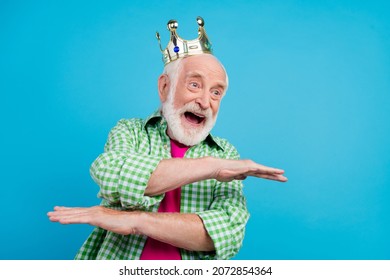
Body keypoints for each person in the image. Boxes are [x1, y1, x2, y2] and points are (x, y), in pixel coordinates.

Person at [48, 16, 287, 260]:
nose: (205, 102)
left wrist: (135, 220)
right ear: (165, 87)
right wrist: (212, 168)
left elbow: (226, 233)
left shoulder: (225, 153)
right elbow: (111, 175)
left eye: (216, 92)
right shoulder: (130, 132)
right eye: (195, 85)